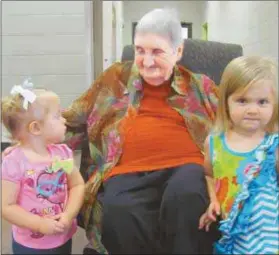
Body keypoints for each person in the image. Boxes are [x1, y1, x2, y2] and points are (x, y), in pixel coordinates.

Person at [2, 8, 219, 254]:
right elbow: (73, 119)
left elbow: (234, 126)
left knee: (188, 197)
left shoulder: (201, 86)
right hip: (126, 168)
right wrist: (26, 142)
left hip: (186, 165)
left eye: (157, 51)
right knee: (119, 211)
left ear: (178, 51)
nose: (147, 62)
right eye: (140, 50)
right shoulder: (114, 78)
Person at [199, 56, 279, 254]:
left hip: (269, 238)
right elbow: (209, 174)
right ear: (226, 102)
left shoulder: (274, 145)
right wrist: (214, 201)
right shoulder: (214, 143)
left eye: (262, 102)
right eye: (242, 100)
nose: (252, 110)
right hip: (234, 240)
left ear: (274, 105)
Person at [1, 83, 85, 254]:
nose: (64, 120)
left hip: (62, 237)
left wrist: (68, 215)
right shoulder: (15, 162)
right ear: (36, 128)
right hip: (30, 246)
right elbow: (6, 207)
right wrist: (39, 224)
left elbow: (77, 185)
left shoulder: (62, 154)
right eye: (57, 116)